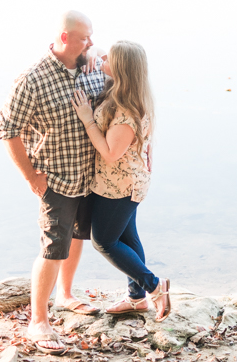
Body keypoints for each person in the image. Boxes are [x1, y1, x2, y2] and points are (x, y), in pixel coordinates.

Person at [0, 11, 106, 354]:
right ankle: (38, 321)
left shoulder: (89, 63)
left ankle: (67, 294)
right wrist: (31, 175)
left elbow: (115, 61)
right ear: (63, 38)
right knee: (52, 247)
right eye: (84, 37)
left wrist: (96, 54)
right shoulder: (32, 79)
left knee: (77, 237)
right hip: (55, 179)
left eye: (91, 37)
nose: (90, 42)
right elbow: (7, 131)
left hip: (91, 174)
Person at [70, 40, 171, 322]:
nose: (103, 61)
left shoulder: (127, 112)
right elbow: (100, 47)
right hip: (123, 180)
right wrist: (90, 52)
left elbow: (111, 153)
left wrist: (87, 118)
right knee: (128, 237)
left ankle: (153, 286)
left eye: (108, 60)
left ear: (122, 69)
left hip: (121, 185)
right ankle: (136, 299)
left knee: (103, 241)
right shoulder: (126, 89)